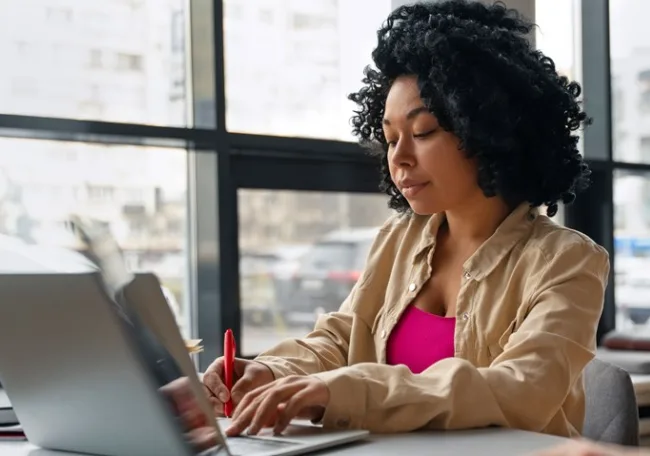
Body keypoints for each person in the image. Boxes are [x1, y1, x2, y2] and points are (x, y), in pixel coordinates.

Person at [203, 0, 610, 438]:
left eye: (422, 132)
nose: (399, 157)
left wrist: (347, 390)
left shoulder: (569, 262)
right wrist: (271, 370)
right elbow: (343, 339)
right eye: (390, 137)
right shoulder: (399, 239)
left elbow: (522, 388)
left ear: (489, 132)